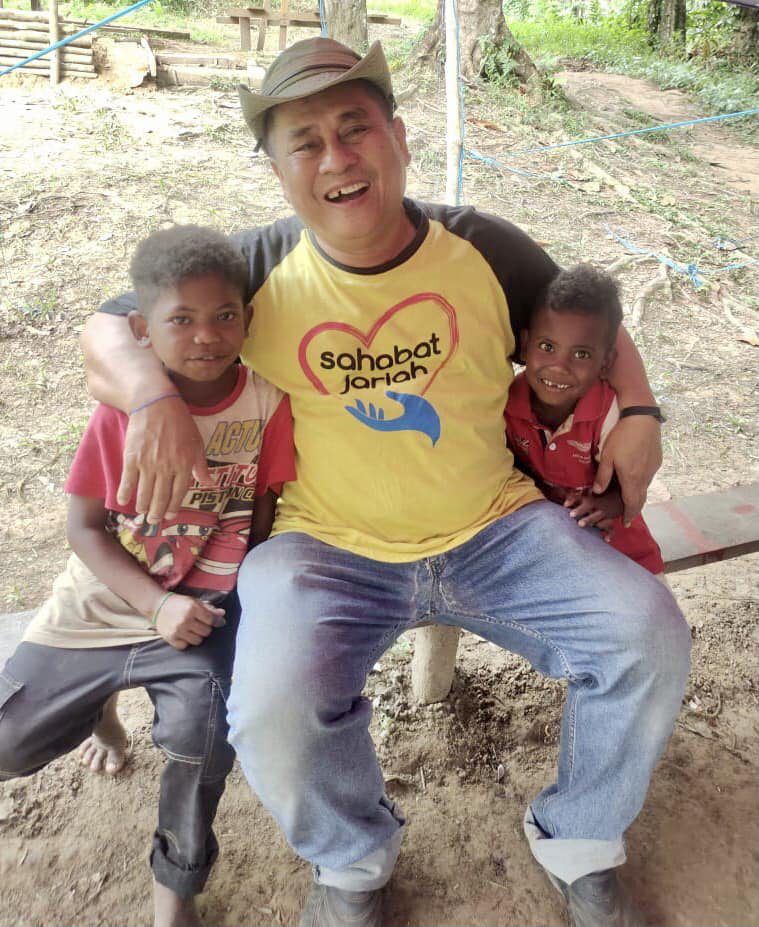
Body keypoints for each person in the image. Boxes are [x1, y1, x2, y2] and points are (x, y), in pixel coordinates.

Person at [80, 38, 691, 927]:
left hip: (496, 529)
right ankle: (353, 860)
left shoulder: (479, 245)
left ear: (399, 137)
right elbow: (109, 328)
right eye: (305, 141)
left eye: (354, 127)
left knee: (646, 634)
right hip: (322, 547)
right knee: (273, 710)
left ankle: (581, 836)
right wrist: (150, 398)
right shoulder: (252, 269)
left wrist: (638, 409)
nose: (336, 158)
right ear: (277, 169)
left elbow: (586, 316)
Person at [0, 225, 295, 927]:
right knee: (10, 743)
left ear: (249, 321)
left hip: (202, 614)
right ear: (142, 329)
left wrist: (226, 609)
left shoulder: (265, 405)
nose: (205, 336)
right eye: (181, 320)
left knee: (203, 740)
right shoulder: (123, 415)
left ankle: (176, 887)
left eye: (225, 315)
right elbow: (84, 528)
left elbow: (260, 511)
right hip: (102, 603)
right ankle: (102, 713)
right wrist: (155, 602)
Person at [505, 263, 665, 575]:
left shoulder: (610, 416)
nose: (559, 367)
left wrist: (603, 506)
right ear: (526, 345)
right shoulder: (506, 403)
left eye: (581, 355)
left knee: (651, 619)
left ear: (606, 363)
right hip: (550, 546)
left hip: (624, 551)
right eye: (547, 347)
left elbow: (629, 490)